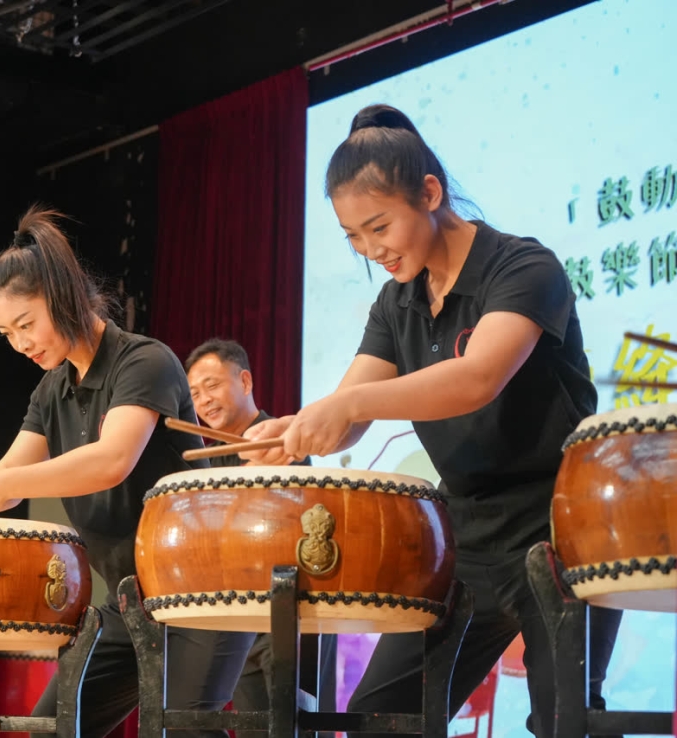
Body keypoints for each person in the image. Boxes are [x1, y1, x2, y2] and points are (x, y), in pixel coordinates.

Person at [242, 104, 621, 737]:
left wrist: (346, 407)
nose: (372, 251)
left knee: (566, 722)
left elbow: (477, 377)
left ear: (429, 193)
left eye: (380, 226)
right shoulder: (397, 303)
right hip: (465, 537)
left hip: (562, 526)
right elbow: (351, 411)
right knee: (381, 721)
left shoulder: (523, 267)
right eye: (353, 237)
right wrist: (292, 431)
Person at [0, 207, 256, 738]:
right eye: (7, 333)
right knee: (55, 728)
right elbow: (9, 475)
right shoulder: (50, 390)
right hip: (131, 599)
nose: (20, 344)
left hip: (204, 587)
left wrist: (0, 484)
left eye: (26, 324)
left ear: (64, 297)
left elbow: (111, 460)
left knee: (185, 730)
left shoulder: (144, 361)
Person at [184, 338, 336, 734]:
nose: (204, 400)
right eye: (195, 394)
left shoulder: (282, 444)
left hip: (291, 611)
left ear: (245, 381)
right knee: (253, 728)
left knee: (298, 727)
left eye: (212, 385)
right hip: (240, 614)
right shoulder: (209, 458)